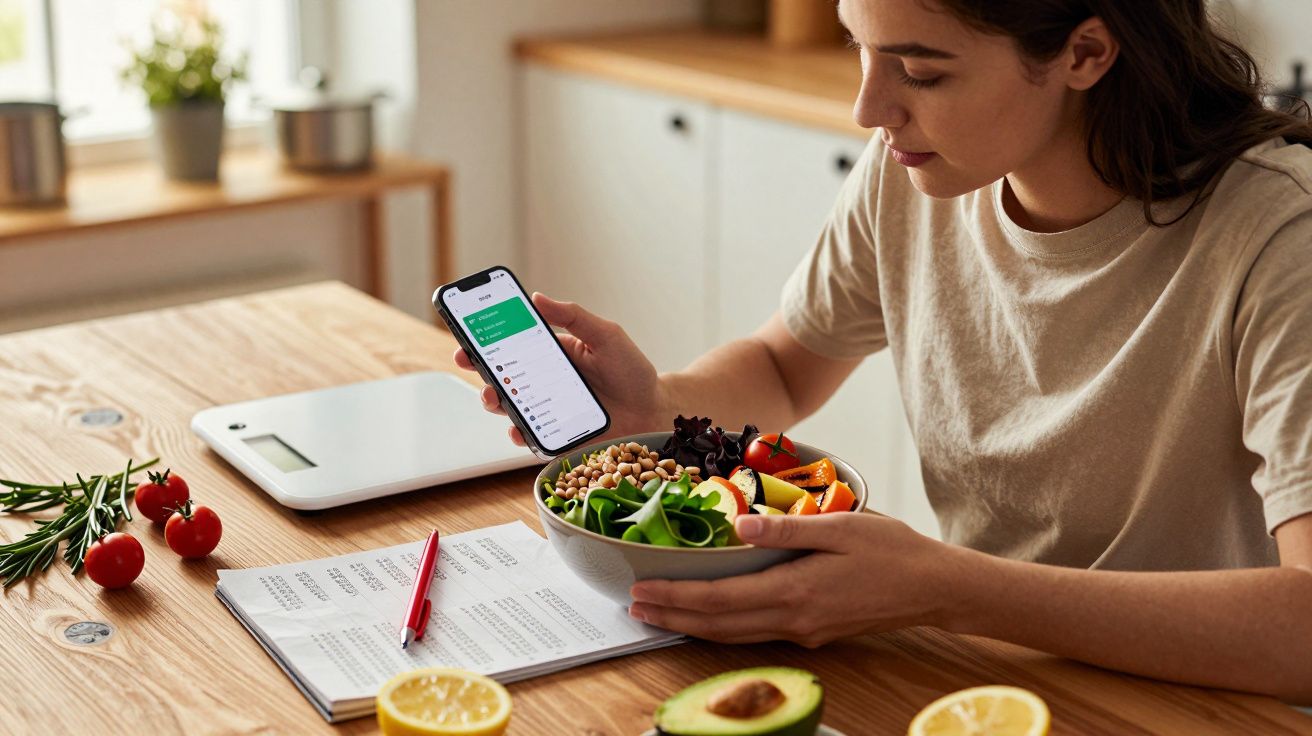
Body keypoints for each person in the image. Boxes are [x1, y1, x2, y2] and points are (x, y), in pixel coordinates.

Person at [456, 0, 1312, 702]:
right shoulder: (915, 171)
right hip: (978, 675)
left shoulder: (1280, 238)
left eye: (922, 70)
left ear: (1086, 52)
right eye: (858, 49)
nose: (870, 109)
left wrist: (946, 587)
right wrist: (656, 410)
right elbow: (788, 365)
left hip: (1207, 706)